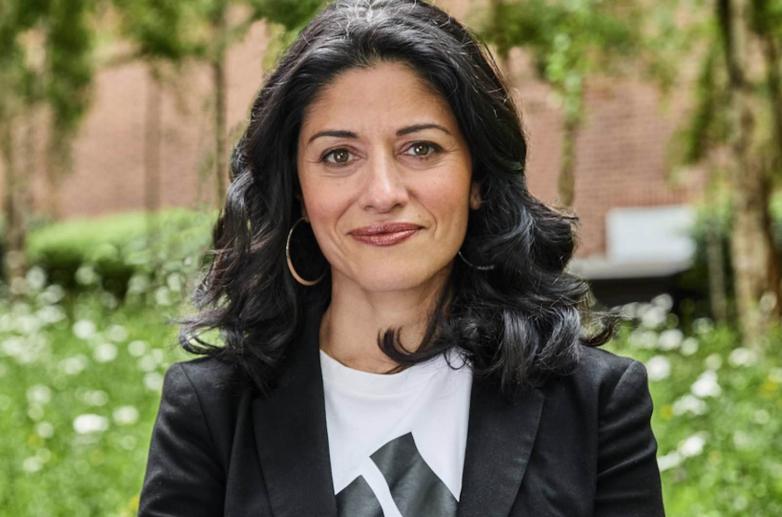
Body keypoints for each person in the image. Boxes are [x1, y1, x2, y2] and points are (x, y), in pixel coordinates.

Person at [138, 0, 665, 515]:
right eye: (338, 155)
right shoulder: (211, 410)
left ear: (478, 177)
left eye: (421, 148)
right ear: (296, 189)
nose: (383, 193)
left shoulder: (595, 403)